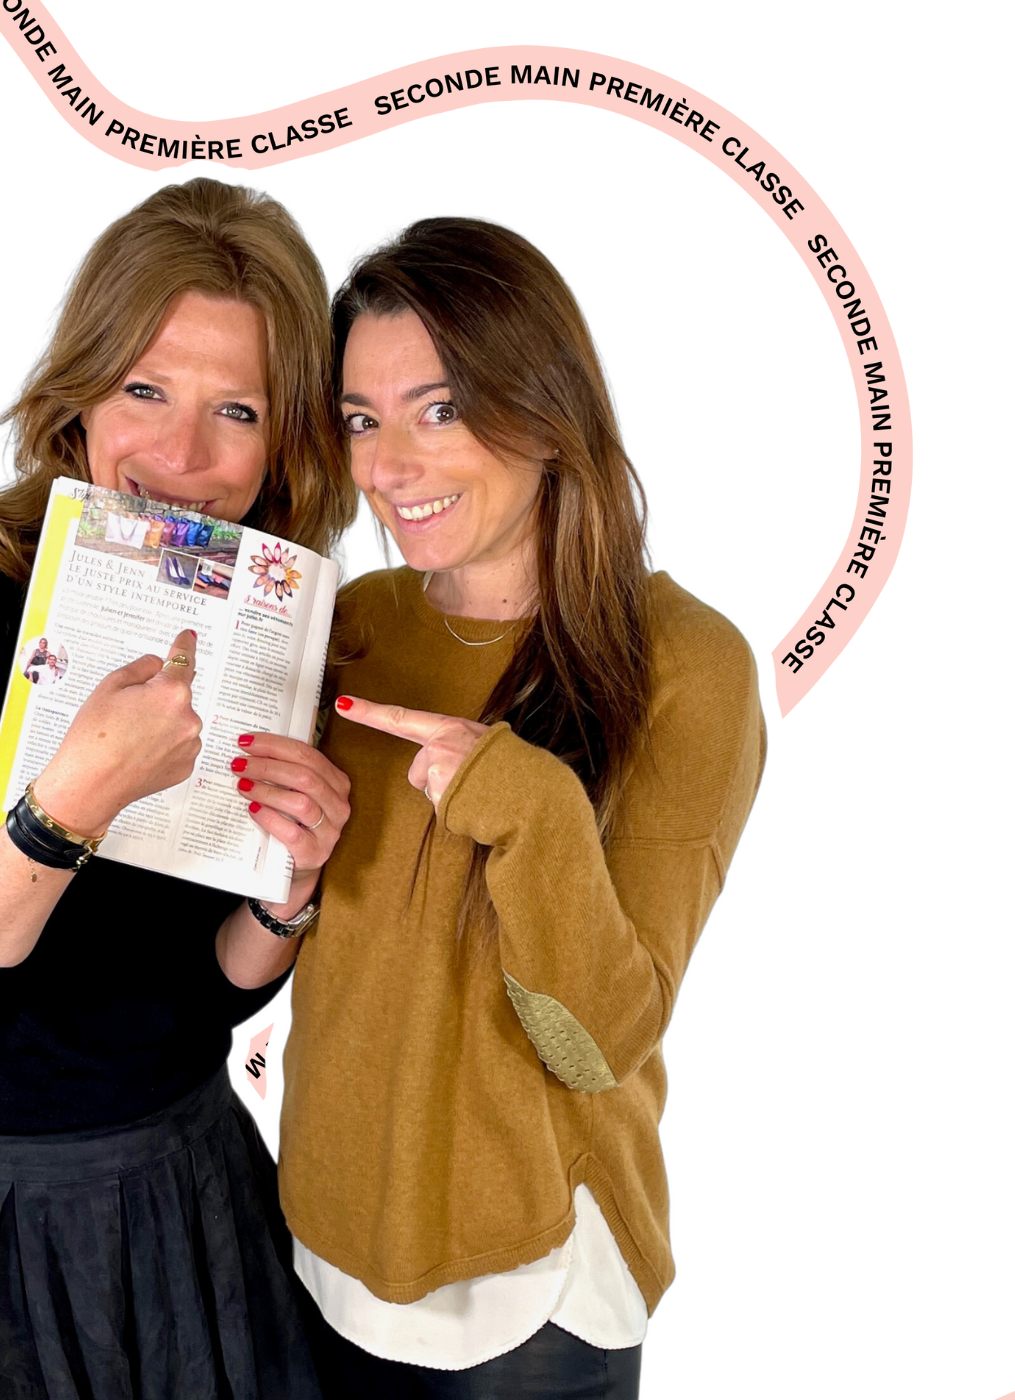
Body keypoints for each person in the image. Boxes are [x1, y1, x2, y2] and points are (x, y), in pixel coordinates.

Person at [0, 179, 356, 1400]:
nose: (181, 457)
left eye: (235, 410)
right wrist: (70, 801)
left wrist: (285, 889)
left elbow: (201, 993)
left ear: (282, 442)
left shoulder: (266, 623)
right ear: (77, 396)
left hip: (193, 1182)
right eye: (143, 390)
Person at [279, 219, 767, 1398]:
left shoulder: (684, 664)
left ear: (546, 413)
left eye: (440, 408)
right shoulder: (351, 623)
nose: (388, 464)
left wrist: (528, 805)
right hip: (321, 1249)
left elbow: (597, 1041)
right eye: (360, 418)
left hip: (531, 1284)